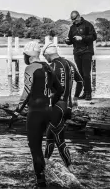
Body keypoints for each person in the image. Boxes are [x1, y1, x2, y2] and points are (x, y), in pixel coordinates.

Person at [11, 41, 63, 188]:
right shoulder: (48, 67)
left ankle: (41, 183)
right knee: (40, 147)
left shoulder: (30, 68)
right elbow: (59, 90)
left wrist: (17, 111)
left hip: (35, 112)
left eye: (24, 55)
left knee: (35, 148)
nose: (23, 58)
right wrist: (51, 102)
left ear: (28, 55)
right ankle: (43, 176)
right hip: (48, 111)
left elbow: (26, 92)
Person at [41, 43, 84, 173]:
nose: (45, 59)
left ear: (48, 54)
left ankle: (69, 169)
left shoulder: (52, 66)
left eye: (45, 56)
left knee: (57, 139)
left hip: (57, 106)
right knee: (53, 135)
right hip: (68, 107)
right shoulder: (70, 63)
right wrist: (75, 98)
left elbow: (46, 88)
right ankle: (45, 164)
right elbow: (80, 81)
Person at [65, 11, 97, 100]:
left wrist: (82, 38)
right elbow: (70, 40)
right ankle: (85, 92)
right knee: (81, 73)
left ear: (79, 16)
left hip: (87, 52)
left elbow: (94, 37)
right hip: (77, 53)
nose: (73, 21)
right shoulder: (72, 27)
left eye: (74, 19)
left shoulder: (88, 25)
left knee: (86, 74)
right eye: (72, 19)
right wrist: (67, 41)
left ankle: (88, 93)